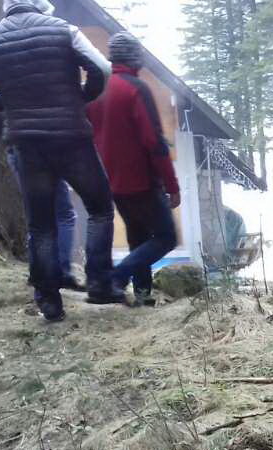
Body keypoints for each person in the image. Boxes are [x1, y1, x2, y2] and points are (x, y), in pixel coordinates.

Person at [0, 0, 120, 323]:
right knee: (100, 208)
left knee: (41, 225)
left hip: (27, 145)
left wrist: (1, 103)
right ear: (38, 5)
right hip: (72, 137)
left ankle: (48, 301)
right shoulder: (63, 30)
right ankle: (100, 283)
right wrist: (82, 95)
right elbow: (101, 68)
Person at [86, 32, 180, 306]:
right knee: (166, 237)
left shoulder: (97, 90)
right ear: (135, 58)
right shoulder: (135, 88)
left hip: (111, 181)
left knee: (138, 236)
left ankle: (142, 295)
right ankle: (115, 278)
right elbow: (155, 143)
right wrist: (171, 186)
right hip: (141, 181)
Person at [0, 113, 83, 291]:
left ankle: (38, 274)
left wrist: (7, 141)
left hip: (18, 148)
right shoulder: (47, 88)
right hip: (48, 146)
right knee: (64, 215)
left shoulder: (7, 87)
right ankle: (62, 272)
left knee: (37, 218)